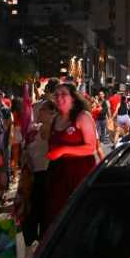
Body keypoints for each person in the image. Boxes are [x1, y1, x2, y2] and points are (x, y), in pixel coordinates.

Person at [42, 83, 98, 227]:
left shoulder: (82, 116)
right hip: (57, 174)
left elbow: (91, 147)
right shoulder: (55, 119)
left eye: (63, 94)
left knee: (77, 217)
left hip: (79, 174)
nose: (59, 97)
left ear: (73, 98)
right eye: (56, 95)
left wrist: (64, 150)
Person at [19, 98, 56, 246]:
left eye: (43, 110)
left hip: (50, 176)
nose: (39, 112)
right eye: (39, 109)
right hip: (33, 177)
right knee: (30, 214)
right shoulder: (33, 131)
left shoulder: (57, 132)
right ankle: (31, 245)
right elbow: (25, 152)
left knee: (47, 214)